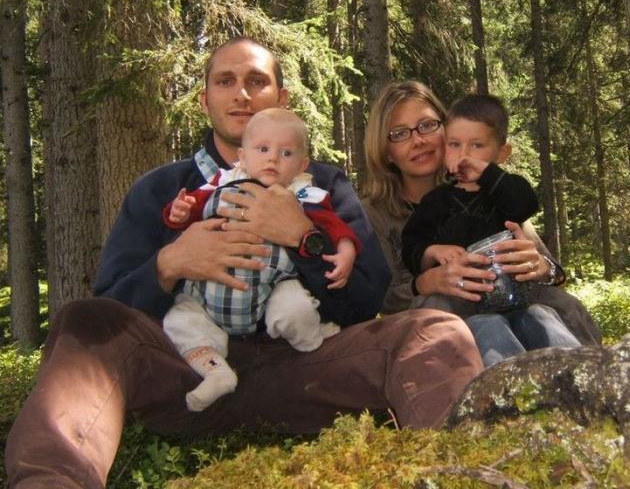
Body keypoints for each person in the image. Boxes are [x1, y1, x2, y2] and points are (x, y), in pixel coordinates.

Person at [6, 39, 484, 489]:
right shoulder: (163, 189)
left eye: (257, 81)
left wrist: (303, 238)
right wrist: (169, 264)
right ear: (204, 100)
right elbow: (109, 310)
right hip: (188, 373)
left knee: (433, 331)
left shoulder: (322, 187)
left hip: (304, 369)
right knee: (82, 320)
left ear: (282, 97)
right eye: (225, 81)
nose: (242, 94)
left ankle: (471, 473)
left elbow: (366, 297)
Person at [362, 81, 602, 367]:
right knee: (452, 317)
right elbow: (384, 300)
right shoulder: (374, 214)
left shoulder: (491, 189)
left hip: (517, 304)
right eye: (400, 133)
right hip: (446, 331)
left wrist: (539, 266)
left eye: (427, 125)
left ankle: (593, 377)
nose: (418, 141)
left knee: (557, 306)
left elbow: (554, 273)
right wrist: (425, 282)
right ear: (386, 151)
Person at [162, 108, 358, 412]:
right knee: (179, 320)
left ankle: (312, 341)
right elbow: (192, 208)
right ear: (242, 156)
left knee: (296, 308)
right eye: (263, 149)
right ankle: (215, 371)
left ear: (302, 165)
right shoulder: (223, 181)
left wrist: (346, 249)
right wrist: (179, 212)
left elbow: (334, 226)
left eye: (286, 153)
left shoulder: (304, 193)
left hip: (271, 288)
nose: (273, 159)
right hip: (207, 292)